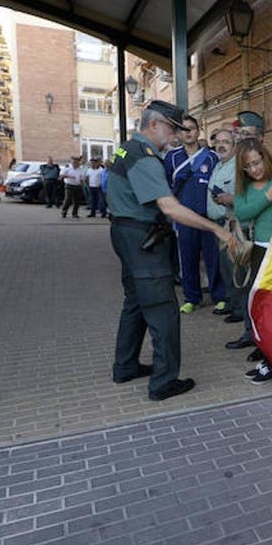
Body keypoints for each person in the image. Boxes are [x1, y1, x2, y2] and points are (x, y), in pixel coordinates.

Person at [106, 99, 236, 402]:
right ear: (154, 125)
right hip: (143, 239)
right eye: (173, 128)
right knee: (163, 310)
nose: (177, 135)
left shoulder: (126, 148)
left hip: (124, 233)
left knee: (136, 303)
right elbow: (170, 208)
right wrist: (216, 228)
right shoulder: (146, 157)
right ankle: (163, 382)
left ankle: (124, 366)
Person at [232, 138, 272, 380]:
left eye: (257, 162)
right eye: (248, 166)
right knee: (261, 305)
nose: (255, 169)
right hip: (260, 250)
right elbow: (242, 213)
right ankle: (265, 350)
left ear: (265, 157)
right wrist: (269, 196)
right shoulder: (244, 187)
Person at [165, 116, 226, 315]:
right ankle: (192, 298)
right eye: (184, 129)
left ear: (199, 131)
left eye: (192, 129)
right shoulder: (172, 158)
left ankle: (220, 297)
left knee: (213, 259)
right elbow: (166, 186)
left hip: (208, 218)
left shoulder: (211, 157)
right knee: (187, 259)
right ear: (178, 134)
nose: (188, 132)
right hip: (184, 219)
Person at [206, 127, 243, 321]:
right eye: (218, 142)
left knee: (233, 267)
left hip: (231, 224)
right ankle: (230, 302)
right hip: (218, 225)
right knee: (224, 267)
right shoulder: (219, 165)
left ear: (235, 146)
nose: (221, 145)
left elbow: (244, 195)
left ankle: (238, 309)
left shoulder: (237, 166)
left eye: (226, 142)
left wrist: (230, 198)